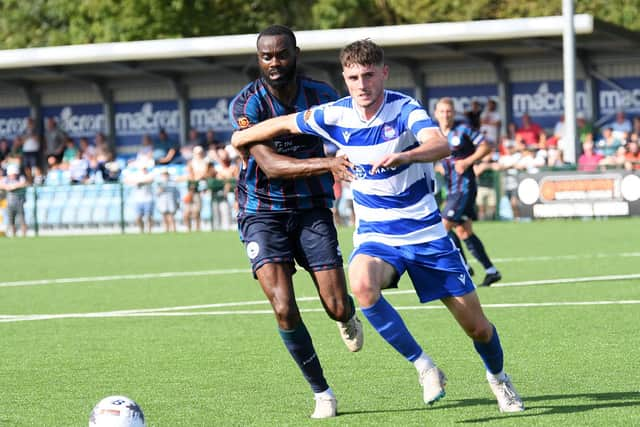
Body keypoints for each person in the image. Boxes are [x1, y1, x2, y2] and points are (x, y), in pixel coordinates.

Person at [232, 38, 524, 414]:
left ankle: (499, 378)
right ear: (344, 78)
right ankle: (425, 366)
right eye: (353, 77)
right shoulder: (335, 114)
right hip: (377, 237)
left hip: (426, 236)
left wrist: (407, 155)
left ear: (383, 73)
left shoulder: (405, 109)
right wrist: (243, 136)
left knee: (478, 328)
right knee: (362, 286)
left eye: (369, 76)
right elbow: (285, 123)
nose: (362, 85)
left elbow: (440, 144)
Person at [228, 25, 364, 419]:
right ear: (259, 59)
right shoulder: (247, 104)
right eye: (266, 56)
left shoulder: (323, 95)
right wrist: (327, 163)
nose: (274, 63)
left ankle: (347, 316)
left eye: (281, 54)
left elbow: (355, 136)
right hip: (261, 213)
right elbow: (268, 165)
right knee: (283, 306)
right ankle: (322, 392)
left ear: (296, 53)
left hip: (312, 209)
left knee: (336, 306)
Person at [435, 97, 502, 287]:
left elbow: (486, 145)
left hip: (464, 187)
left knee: (441, 228)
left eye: (448, 111)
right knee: (464, 231)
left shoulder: (462, 129)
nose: (445, 115)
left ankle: (463, 268)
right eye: (441, 111)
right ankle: (491, 271)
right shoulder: (435, 133)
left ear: (453, 113)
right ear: (436, 114)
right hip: (451, 188)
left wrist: (467, 161)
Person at [0, 164, 29, 237]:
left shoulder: (20, 178)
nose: (13, 175)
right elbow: (2, 185)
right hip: (9, 204)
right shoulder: (6, 179)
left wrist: (13, 187)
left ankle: (24, 235)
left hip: (19, 202)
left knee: (22, 220)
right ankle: (14, 235)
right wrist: (9, 187)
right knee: (11, 221)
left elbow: (24, 183)